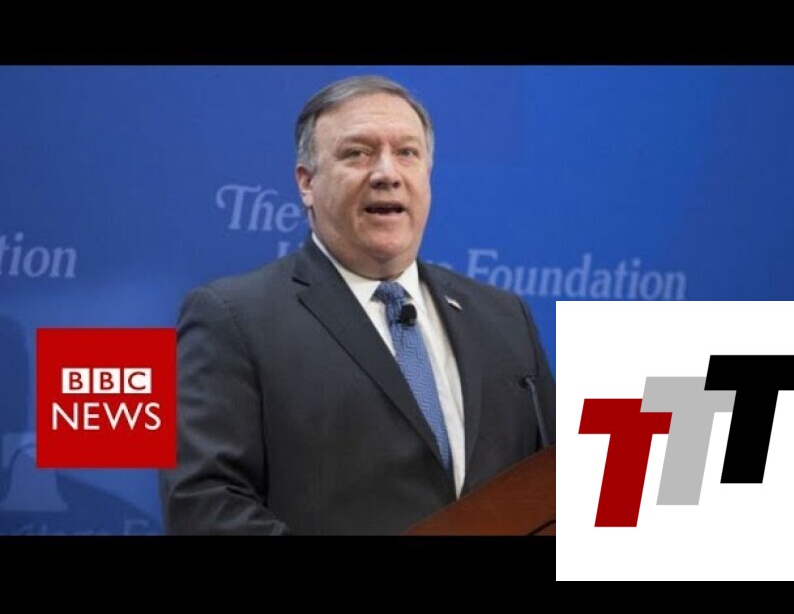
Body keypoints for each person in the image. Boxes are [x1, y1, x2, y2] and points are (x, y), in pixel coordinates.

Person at [159, 74, 556, 535]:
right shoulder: (230, 318)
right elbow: (202, 505)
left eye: (407, 153)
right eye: (357, 153)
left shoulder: (504, 317)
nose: (387, 173)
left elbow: (554, 487)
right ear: (306, 183)